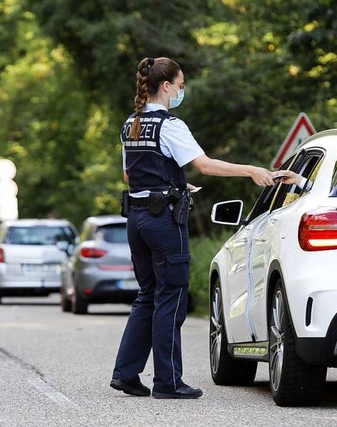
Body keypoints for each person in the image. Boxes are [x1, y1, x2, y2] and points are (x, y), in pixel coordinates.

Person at [110, 57, 276, 400]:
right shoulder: (170, 125)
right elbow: (204, 165)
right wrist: (251, 170)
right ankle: (168, 383)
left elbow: (131, 175)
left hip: (137, 220)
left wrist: (174, 184)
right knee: (171, 296)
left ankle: (126, 374)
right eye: (181, 85)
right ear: (167, 86)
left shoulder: (131, 124)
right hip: (163, 222)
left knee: (146, 296)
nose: (182, 91)